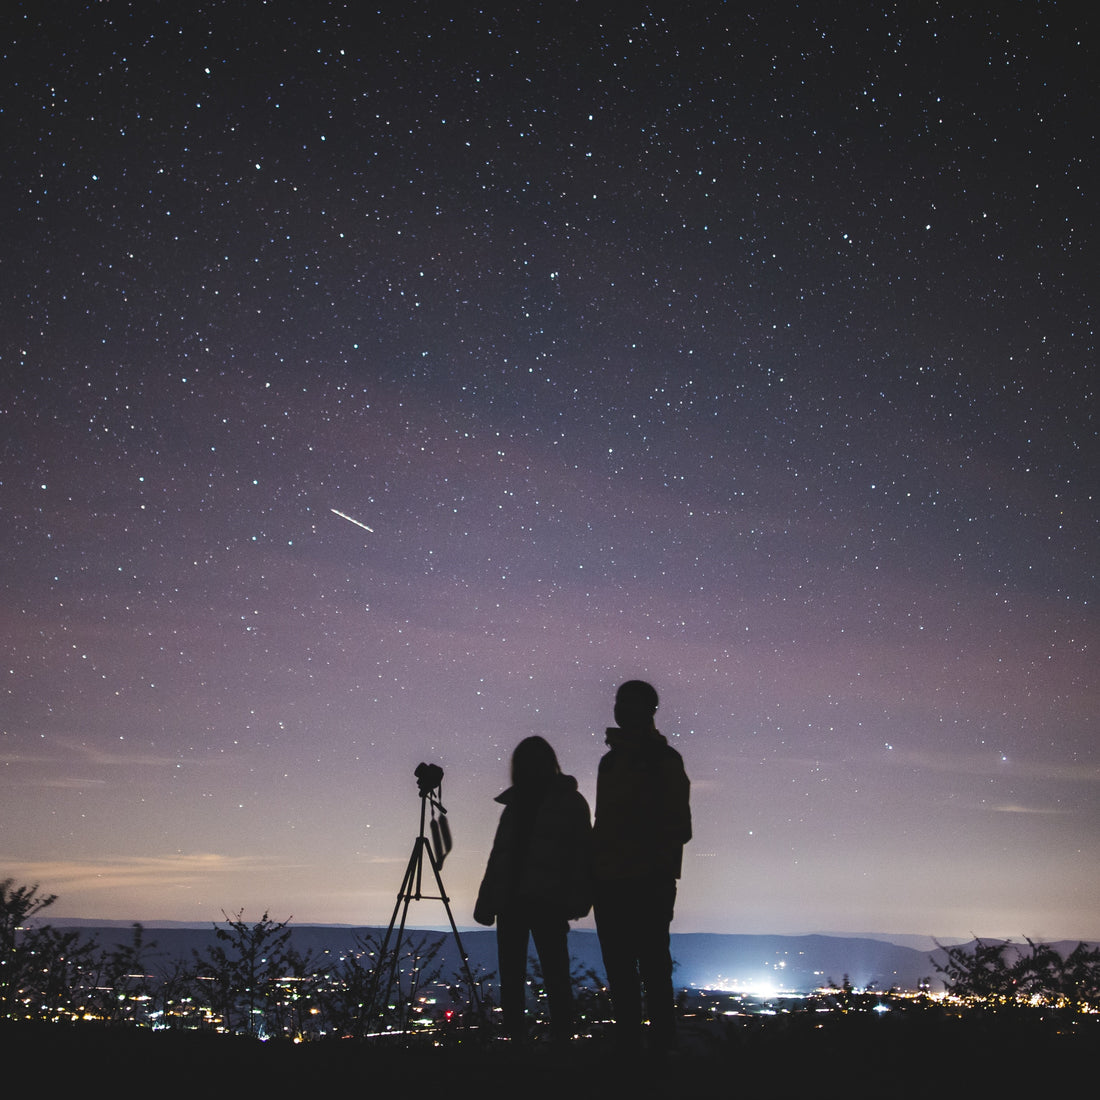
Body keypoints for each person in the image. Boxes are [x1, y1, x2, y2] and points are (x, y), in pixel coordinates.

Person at [592, 680, 691, 1052]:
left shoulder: (662, 761)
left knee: (649, 967)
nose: (620, 710)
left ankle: (655, 1052)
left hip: (645, 880)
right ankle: (633, 1051)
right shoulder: (612, 761)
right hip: (615, 880)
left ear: (649, 710)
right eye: (619, 702)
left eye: (628, 704)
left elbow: (680, 825)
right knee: (625, 970)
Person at [474, 736, 592, 1042]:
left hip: (544, 900)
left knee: (550, 975)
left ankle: (557, 1041)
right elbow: (499, 856)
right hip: (520, 900)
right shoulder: (520, 806)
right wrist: (488, 900)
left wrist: (577, 897)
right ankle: (524, 1041)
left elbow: (582, 854)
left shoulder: (564, 803)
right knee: (522, 977)